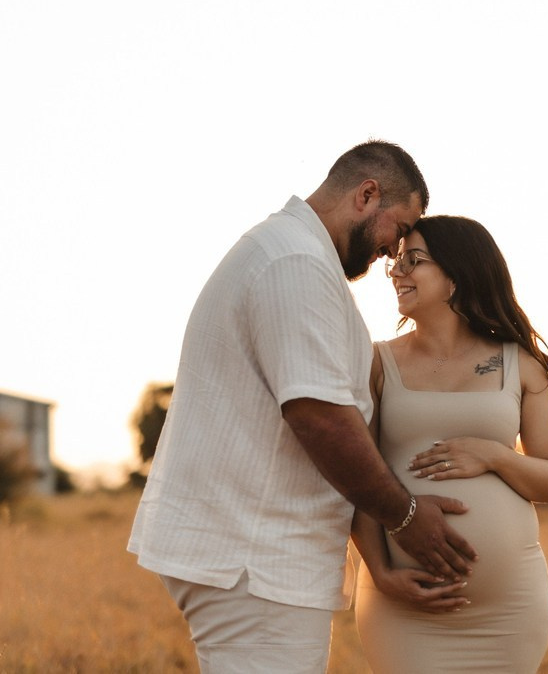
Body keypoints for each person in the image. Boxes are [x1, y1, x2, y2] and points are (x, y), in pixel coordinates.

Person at [128, 141, 478, 674]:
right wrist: (405, 517)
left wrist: (377, 562)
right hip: (254, 558)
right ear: (367, 195)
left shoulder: (294, 255)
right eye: (398, 228)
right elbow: (319, 418)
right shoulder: (295, 262)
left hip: (260, 556)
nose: (394, 251)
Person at [351, 215, 548, 673]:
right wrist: (381, 572)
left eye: (414, 261)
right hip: (403, 608)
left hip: (508, 613)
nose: (397, 273)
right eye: (396, 262)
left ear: (455, 276)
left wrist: (491, 453)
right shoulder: (375, 362)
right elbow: (356, 477)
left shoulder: (519, 365)